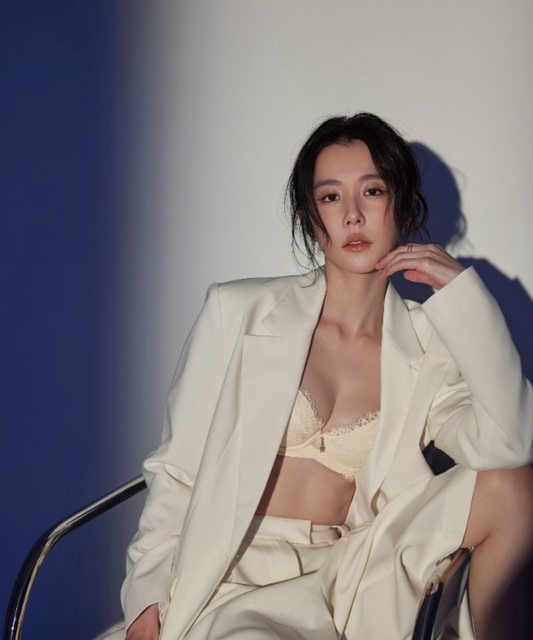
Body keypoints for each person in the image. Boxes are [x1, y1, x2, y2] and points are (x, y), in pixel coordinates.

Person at [104, 113, 533, 640]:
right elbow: (177, 471)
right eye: (331, 197)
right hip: (231, 574)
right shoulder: (237, 312)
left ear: (402, 205)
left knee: (516, 489)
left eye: (371, 191)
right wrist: (147, 596)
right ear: (311, 218)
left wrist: (467, 299)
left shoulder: (431, 347)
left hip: (345, 577)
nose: (352, 215)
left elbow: (510, 444)